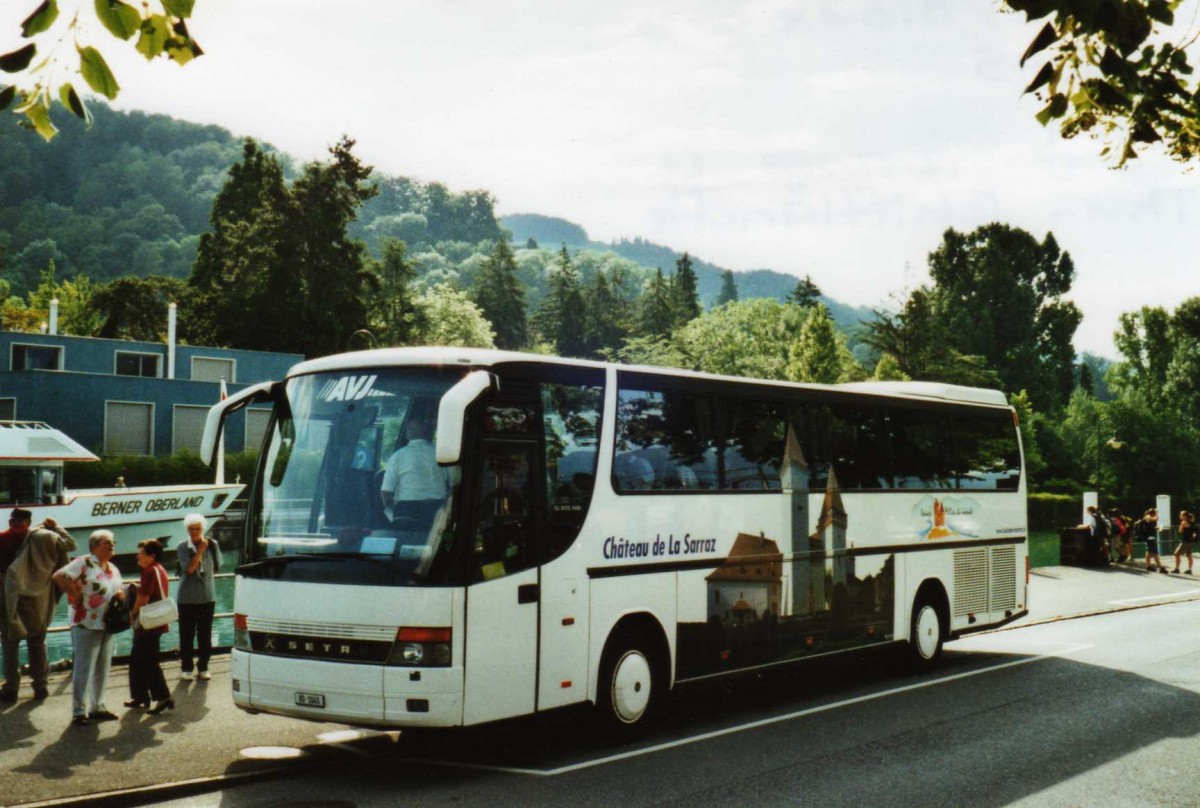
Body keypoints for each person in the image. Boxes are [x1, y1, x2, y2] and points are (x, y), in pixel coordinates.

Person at [2, 510, 77, 702]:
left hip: (9, 599)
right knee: (37, 643)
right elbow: (71, 544)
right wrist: (55, 527)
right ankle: (40, 686)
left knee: (10, 645)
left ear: (11, 521)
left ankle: (11, 688)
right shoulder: (45, 537)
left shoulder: (3, 538)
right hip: (38, 600)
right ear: (28, 521)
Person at [53, 530, 124, 725]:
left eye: (113, 542)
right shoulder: (84, 563)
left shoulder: (112, 568)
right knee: (84, 667)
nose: (111, 546)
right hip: (86, 622)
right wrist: (74, 593)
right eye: (106, 543)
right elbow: (59, 576)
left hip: (107, 623)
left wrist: (120, 593)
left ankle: (98, 706)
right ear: (94, 546)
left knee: (103, 665)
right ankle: (79, 710)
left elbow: (116, 587)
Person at [126, 540, 174, 713]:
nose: (137, 555)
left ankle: (163, 697)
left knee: (146, 660)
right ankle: (141, 695)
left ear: (151, 556)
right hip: (157, 621)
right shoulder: (159, 569)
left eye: (141, 553)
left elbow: (144, 598)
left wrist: (132, 613)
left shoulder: (148, 572)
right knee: (142, 659)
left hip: (148, 623)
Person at [380, 411, 452, 524]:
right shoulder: (442, 454)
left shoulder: (398, 456)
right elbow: (456, 484)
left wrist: (391, 514)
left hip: (406, 512)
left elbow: (386, 493)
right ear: (427, 433)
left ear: (408, 433)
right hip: (436, 511)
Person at [176, 513, 221, 681]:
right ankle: (186, 667)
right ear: (187, 530)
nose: (194, 532)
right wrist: (200, 551)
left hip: (207, 596)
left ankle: (203, 666)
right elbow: (189, 569)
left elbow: (217, 567)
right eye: (191, 529)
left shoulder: (213, 544)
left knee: (205, 634)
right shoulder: (182, 547)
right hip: (187, 597)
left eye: (197, 528)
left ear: (203, 529)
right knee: (186, 635)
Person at [1140, 508, 1166, 574]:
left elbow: (1151, 527)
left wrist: (1159, 527)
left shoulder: (1148, 518)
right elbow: (1156, 519)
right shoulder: (1147, 517)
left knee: (1149, 552)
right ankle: (1160, 567)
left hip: (1150, 537)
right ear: (1153, 513)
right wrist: (1157, 513)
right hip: (1150, 538)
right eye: (1155, 513)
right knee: (1155, 553)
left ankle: (1149, 566)